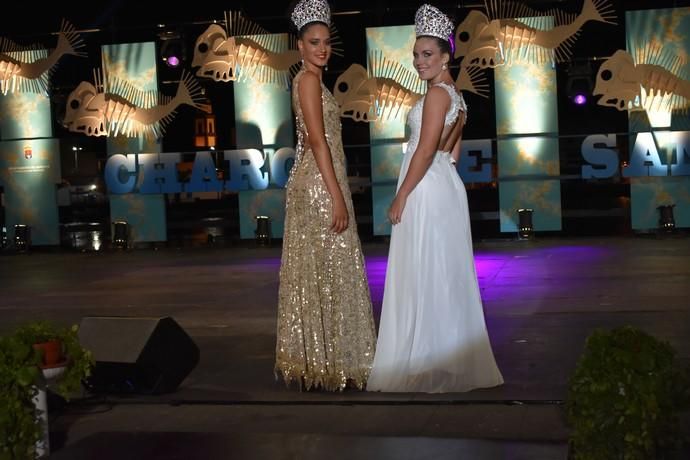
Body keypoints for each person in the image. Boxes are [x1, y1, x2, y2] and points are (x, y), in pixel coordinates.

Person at [367, 4, 504, 393]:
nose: (419, 61)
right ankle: (443, 357)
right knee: (442, 272)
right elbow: (452, 155)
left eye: (428, 54)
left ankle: (422, 360)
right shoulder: (457, 98)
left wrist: (403, 195)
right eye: (416, 54)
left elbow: (425, 150)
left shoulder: (436, 97)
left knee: (424, 270)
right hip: (444, 184)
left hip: (425, 186)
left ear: (446, 56)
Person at [275, 0, 377, 392]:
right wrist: (337, 196)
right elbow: (317, 141)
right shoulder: (308, 81)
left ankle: (329, 361)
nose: (321, 49)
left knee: (325, 272)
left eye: (326, 43)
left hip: (320, 182)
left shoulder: (314, 81)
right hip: (319, 185)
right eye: (313, 42)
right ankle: (334, 362)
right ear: (299, 46)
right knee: (333, 268)